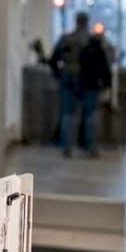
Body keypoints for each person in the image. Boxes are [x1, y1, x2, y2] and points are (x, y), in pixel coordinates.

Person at [50, 12, 110, 157]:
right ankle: (91, 148)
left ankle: (67, 147)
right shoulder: (94, 40)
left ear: (76, 21)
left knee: (68, 114)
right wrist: (106, 83)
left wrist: (59, 76)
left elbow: (53, 60)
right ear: (87, 22)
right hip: (90, 81)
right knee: (90, 114)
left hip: (69, 80)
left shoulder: (66, 39)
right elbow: (103, 64)